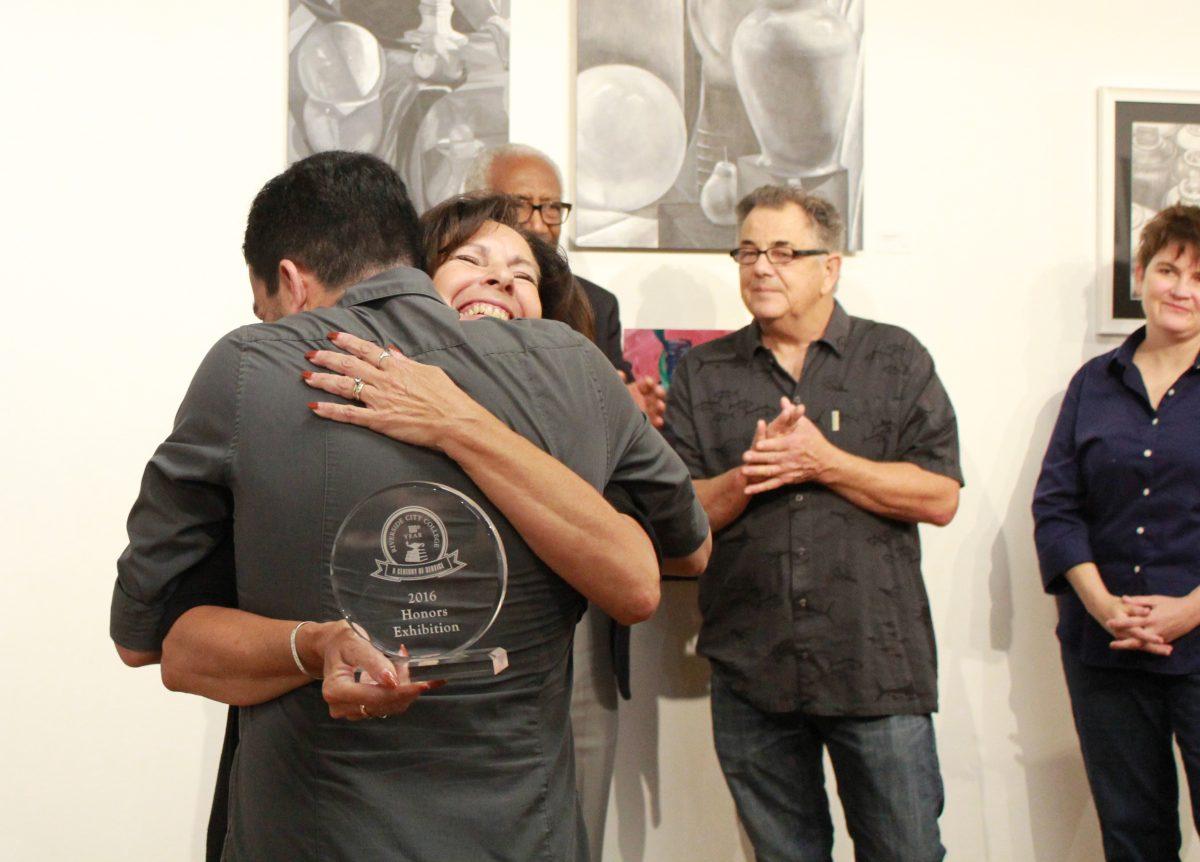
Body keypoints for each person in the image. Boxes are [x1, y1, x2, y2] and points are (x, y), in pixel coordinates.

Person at [111, 153, 711, 861]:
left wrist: (462, 422)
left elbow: (142, 638)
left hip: (318, 831)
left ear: (290, 282)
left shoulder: (251, 367)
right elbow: (688, 544)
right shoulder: (575, 364)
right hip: (521, 833)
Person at [664, 185, 962, 862]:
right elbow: (677, 516)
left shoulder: (895, 359)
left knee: (907, 852)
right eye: (746, 252)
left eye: (782, 252)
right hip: (752, 667)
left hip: (876, 664)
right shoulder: (705, 374)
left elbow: (940, 494)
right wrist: (748, 477)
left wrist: (825, 463)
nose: (760, 267)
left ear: (830, 267)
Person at [466, 143, 664, 859]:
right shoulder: (442, 300)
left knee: (582, 786)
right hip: (470, 572)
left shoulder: (594, 307)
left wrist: (624, 413)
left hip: (577, 568)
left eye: (554, 207)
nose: (544, 222)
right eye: (525, 206)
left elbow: (612, 448)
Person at [1033, 204, 1200, 861]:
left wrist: (1188, 611)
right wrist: (1104, 608)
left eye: (1199, 275)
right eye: (1168, 269)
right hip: (1104, 648)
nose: (1182, 288)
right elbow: (1056, 507)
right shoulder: (1092, 385)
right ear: (1141, 275)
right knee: (1133, 835)